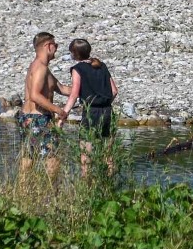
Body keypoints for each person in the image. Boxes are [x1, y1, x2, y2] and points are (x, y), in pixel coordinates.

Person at [63, 38, 119, 177]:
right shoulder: (102, 66)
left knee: (86, 154)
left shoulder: (77, 69)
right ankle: (109, 184)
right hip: (107, 110)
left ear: (74, 54)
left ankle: (86, 183)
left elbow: (74, 94)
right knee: (108, 154)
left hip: (91, 112)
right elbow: (114, 91)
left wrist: (64, 113)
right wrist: (104, 102)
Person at [18, 32, 70, 177]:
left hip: (26, 118)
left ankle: (23, 192)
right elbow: (35, 95)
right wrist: (59, 111)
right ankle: (52, 192)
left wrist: (84, 87)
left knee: (28, 156)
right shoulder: (41, 68)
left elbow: (62, 88)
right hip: (39, 119)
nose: (57, 49)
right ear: (48, 46)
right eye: (56, 45)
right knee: (52, 156)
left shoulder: (37, 67)